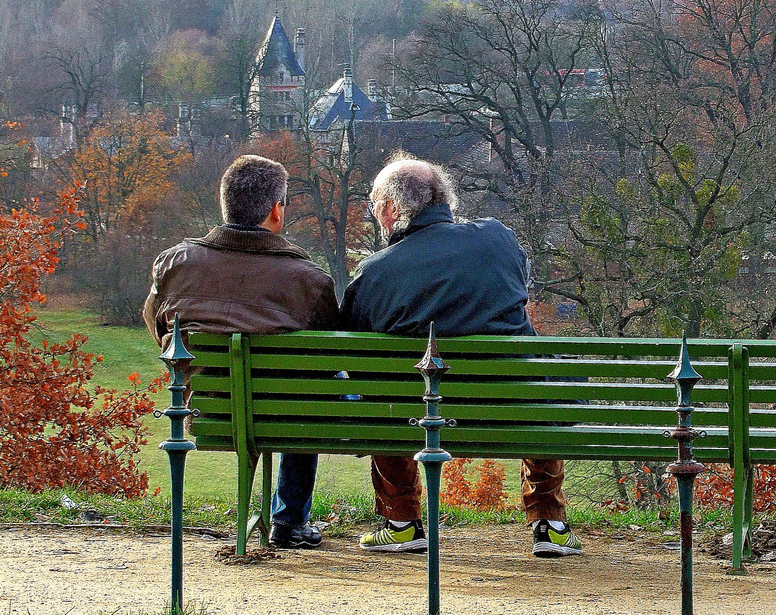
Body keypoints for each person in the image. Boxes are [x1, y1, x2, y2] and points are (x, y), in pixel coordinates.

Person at [342, 154, 582, 558]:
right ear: (443, 200)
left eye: (375, 206)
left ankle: (401, 522)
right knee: (545, 383)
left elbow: (356, 356)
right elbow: (518, 285)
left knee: (380, 391)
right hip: (511, 406)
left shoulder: (375, 273)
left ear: (390, 210)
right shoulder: (496, 238)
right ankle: (550, 524)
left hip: (422, 414)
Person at [143, 154, 339, 550]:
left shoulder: (174, 264)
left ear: (225, 203)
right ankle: (289, 519)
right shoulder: (309, 280)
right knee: (316, 387)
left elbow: (159, 329)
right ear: (276, 210)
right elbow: (329, 357)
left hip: (208, 409)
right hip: (283, 415)